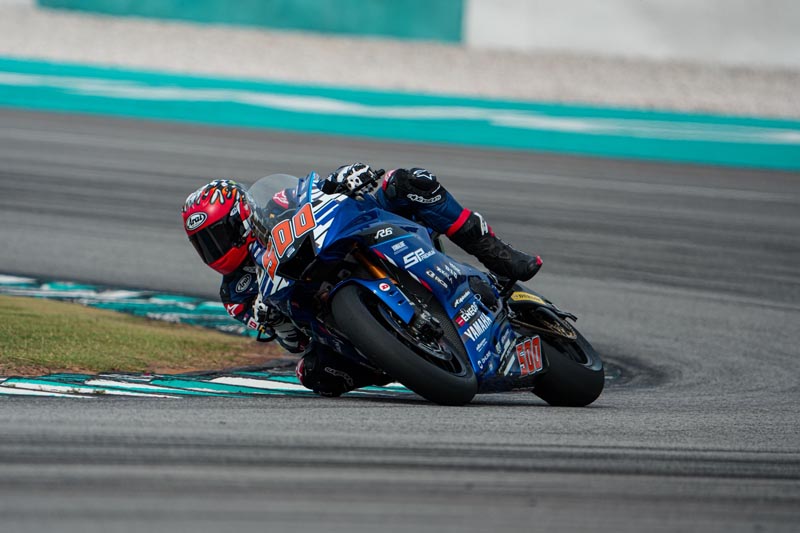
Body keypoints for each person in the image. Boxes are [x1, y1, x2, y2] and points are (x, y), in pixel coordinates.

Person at [181, 164, 541, 396]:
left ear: (241, 218)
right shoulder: (235, 292)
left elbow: (314, 192)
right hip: (328, 318)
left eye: (218, 236)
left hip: (354, 236)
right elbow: (293, 345)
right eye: (204, 245)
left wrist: (344, 178)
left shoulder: (275, 204)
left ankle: (496, 252)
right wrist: (276, 323)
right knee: (314, 375)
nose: (215, 250)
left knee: (408, 182)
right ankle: (401, 358)